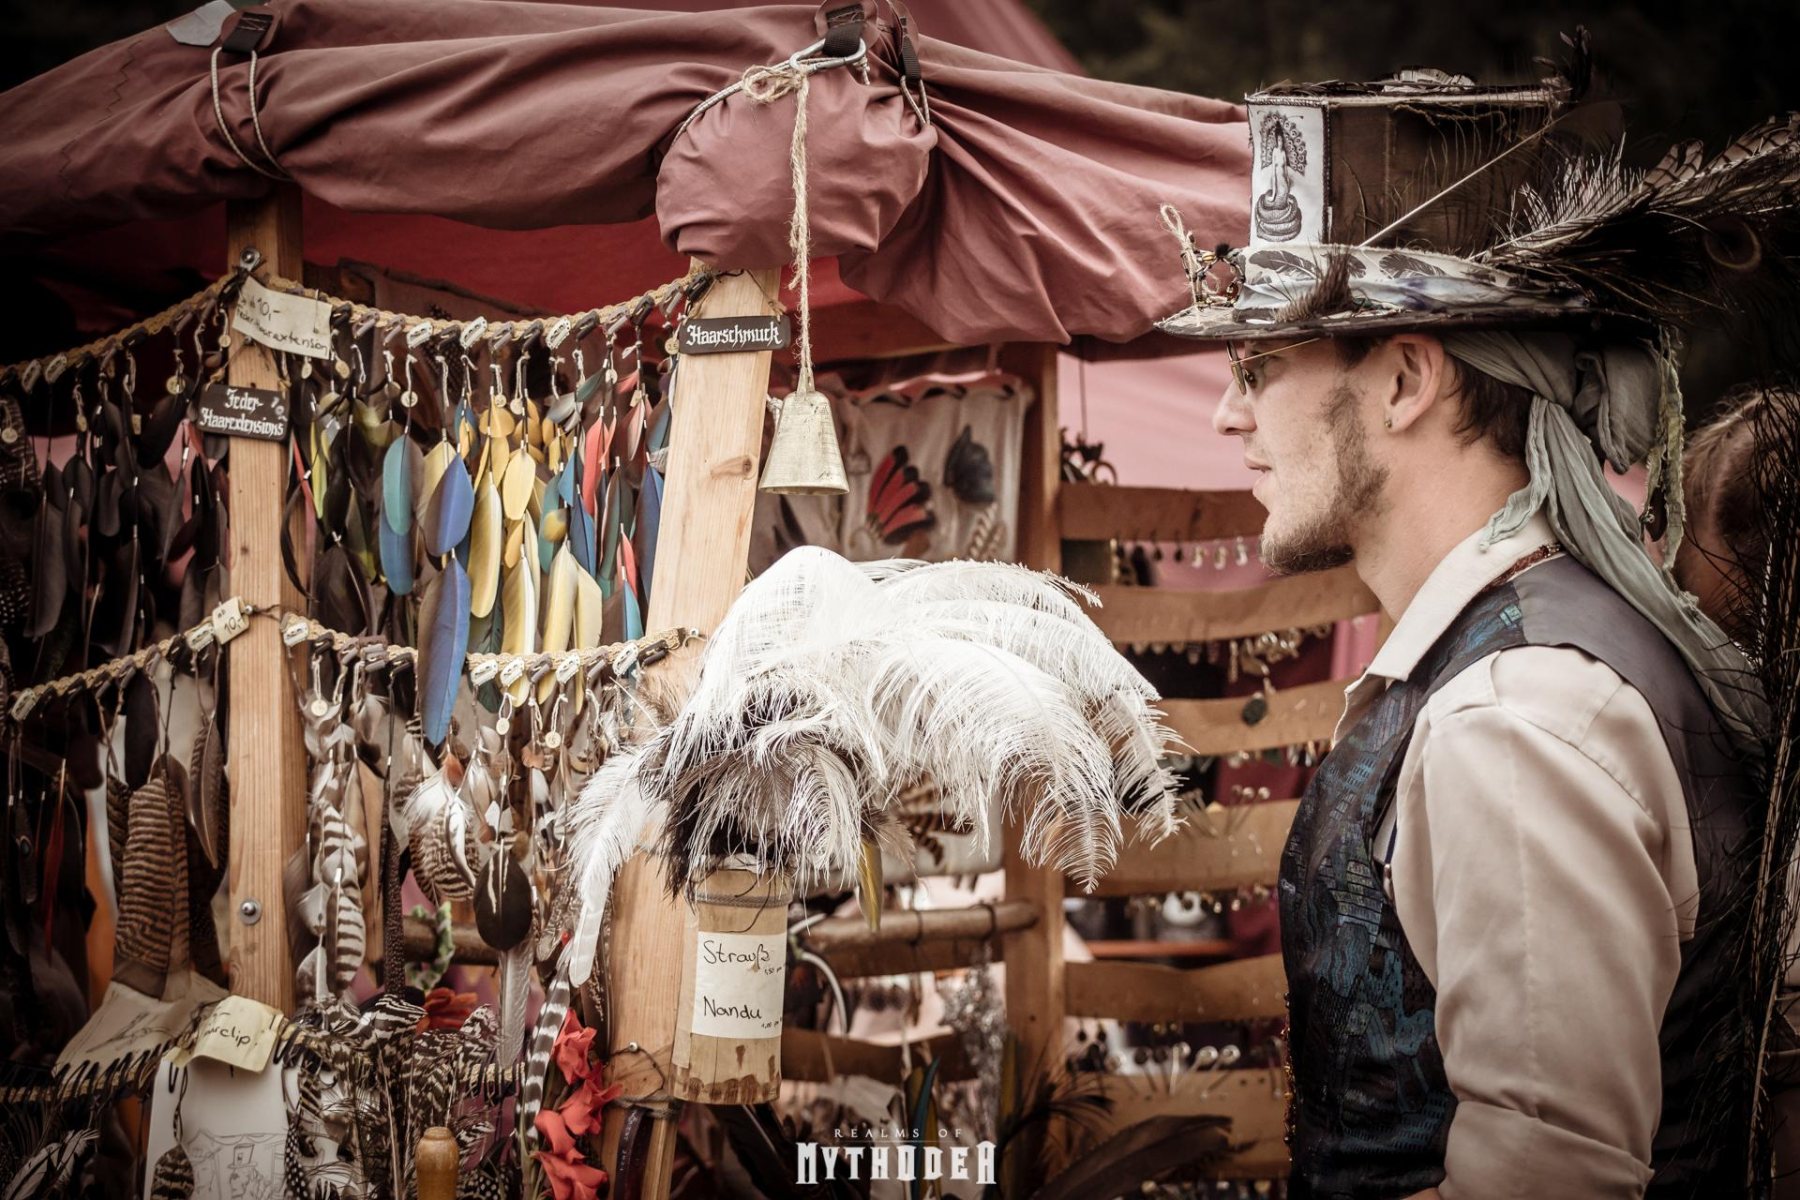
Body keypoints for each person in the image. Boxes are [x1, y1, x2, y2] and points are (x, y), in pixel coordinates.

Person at [1158, 59, 1796, 1199]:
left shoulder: (1514, 716)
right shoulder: (1505, 671)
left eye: (1259, 365)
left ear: (1406, 379)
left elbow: (1551, 1178)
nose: (1225, 413)